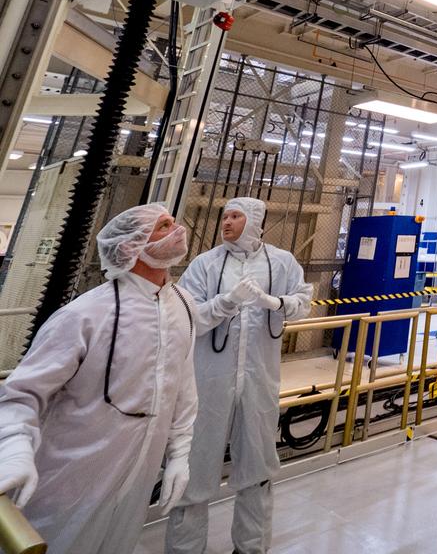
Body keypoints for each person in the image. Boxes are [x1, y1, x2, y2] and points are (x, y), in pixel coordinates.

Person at [0, 203, 197, 554]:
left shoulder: (183, 304)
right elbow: (22, 394)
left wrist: (180, 453)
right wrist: (14, 449)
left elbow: (183, 386)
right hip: (71, 475)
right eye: (164, 226)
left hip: (138, 475)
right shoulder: (84, 315)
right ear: (129, 247)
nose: (178, 228)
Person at [166, 196, 312, 554]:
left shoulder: (281, 262)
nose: (226, 222)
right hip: (208, 385)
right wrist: (225, 303)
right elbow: (186, 317)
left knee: (258, 473)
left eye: (235, 216)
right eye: (224, 216)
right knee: (193, 472)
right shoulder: (205, 264)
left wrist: (276, 303)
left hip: (259, 385)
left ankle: (250, 548)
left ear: (255, 221)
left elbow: (304, 303)